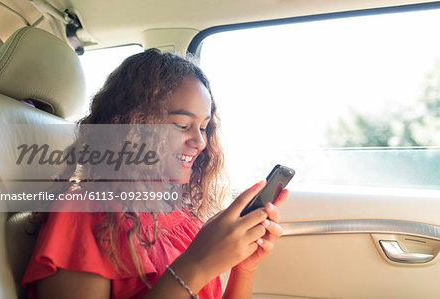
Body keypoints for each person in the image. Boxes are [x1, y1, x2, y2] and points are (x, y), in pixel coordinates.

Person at [21, 48, 289, 299]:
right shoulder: (84, 214)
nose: (200, 141)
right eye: (182, 125)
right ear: (133, 126)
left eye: (204, 127)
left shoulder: (185, 221)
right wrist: (198, 265)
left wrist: (243, 267)